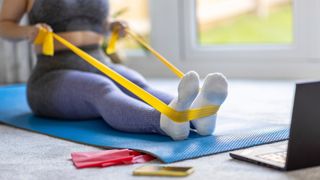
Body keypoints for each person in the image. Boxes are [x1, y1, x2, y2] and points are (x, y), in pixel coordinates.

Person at [0, 0, 228, 140]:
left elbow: (96, 18)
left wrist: (112, 26)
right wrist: (28, 31)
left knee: (134, 81)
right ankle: (165, 122)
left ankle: (200, 116)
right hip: (51, 74)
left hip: (99, 62)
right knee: (101, 88)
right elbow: (4, 23)